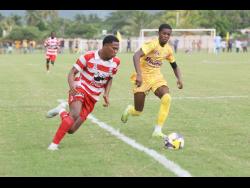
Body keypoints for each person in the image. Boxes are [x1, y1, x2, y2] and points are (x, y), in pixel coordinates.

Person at [46, 35, 120, 151]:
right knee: (74, 114)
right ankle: (54, 145)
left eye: (117, 49)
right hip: (80, 88)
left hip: (93, 97)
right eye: (113, 48)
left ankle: (60, 110)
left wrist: (106, 94)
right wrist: (72, 87)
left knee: (71, 129)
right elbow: (72, 73)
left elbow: (110, 78)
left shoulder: (115, 62)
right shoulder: (88, 56)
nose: (116, 52)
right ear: (105, 46)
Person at [121, 24, 183, 138]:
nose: (166, 36)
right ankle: (130, 110)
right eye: (164, 33)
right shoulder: (152, 44)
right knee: (138, 111)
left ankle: (157, 131)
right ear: (159, 33)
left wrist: (179, 79)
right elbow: (136, 55)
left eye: (168, 34)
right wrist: (139, 75)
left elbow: (174, 65)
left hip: (156, 78)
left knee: (167, 98)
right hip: (142, 78)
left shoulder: (168, 49)